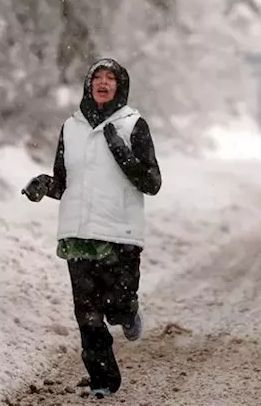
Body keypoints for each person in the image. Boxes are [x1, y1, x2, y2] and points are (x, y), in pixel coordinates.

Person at [22, 58, 163, 399]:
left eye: (110, 78)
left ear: (120, 86)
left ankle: (127, 313)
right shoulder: (71, 128)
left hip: (120, 235)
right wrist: (45, 185)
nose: (103, 83)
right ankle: (102, 380)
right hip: (78, 234)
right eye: (97, 77)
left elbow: (152, 182)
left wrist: (121, 151)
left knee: (116, 304)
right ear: (88, 85)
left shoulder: (134, 126)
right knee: (87, 314)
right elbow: (65, 181)